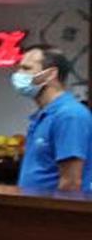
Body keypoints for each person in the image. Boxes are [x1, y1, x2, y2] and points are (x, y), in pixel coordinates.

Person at [13, 45, 92, 192]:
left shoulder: (69, 116)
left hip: (52, 212)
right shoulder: (43, 116)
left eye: (26, 68)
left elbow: (71, 182)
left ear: (50, 74)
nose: (18, 75)